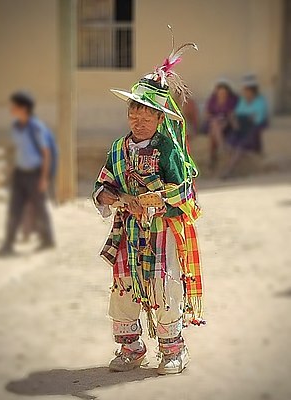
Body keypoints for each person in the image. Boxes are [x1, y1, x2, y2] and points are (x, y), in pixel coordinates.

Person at [93, 32, 204, 375]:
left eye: (146, 115)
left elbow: (185, 190)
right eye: (133, 112)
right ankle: (132, 348)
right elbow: (102, 185)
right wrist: (114, 197)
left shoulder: (169, 150)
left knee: (164, 283)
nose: (138, 120)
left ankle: (174, 350)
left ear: (160, 119)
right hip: (128, 233)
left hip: (161, 233)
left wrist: (157, 200)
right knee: (123, 288)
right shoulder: (117, 149)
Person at [0, 91, 55, 256]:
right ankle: (8, 244)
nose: (11, 109)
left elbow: (46, 153)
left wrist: (44, 178)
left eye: (14, 106)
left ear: (23, 108)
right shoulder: (15, 126)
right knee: (14, 208)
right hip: (20, 173)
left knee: (39, 208)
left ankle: (47, 239)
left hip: (34, 174)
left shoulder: (36, 127)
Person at [222, 75, 268, 178]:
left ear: (252, 91)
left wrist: (245, 118)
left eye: (247, 91)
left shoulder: (260, 101)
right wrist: (235, 121)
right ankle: (229, 168)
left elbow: (257, 119)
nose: (245, 93)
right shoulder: (243, 100)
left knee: (239, 148)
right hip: (240, 127)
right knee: (230, 145)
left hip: (252, 129)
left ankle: (228, 171)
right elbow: (236, 113)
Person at [204, 79, 238, 169]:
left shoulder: (232, 100)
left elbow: (232, 114)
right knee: (214, 125)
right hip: (214, 123)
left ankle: (212, 157)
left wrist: (224, 120)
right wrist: (213, 118)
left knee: (214, 129)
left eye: (224, 92)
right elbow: (207, 113)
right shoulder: (213, 99)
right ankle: (221, 148)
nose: (222, 94)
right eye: (220, 92)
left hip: (227, 123)